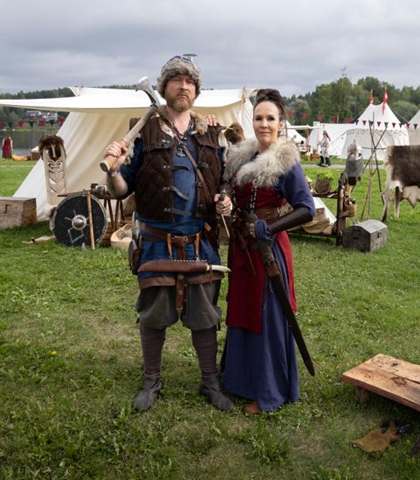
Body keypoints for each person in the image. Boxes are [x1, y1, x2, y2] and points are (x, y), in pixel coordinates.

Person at [103, 56, 234, 412]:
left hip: (199, 243)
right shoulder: (143, 131)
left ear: (196, 90)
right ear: (164, 88)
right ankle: (151, 382)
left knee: (205, 316)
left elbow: (223, 178)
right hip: (157, 242)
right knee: (154, 315)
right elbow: (120, 187)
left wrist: (225, 199)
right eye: (176, 80)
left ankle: (210, 382)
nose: (183, 85)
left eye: (189, 81)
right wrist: (113, 168)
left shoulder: (209, 132)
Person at [220, 89, 316, 414]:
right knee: (243, 309)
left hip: (268, 251)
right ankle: (239, 381)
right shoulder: (241, 157)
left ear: (281, 123)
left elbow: (306, 209)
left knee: (265, 316)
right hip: (242, 248)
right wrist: (225, 196)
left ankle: (268, 391)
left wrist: (270, 228)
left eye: (270, 118)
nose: (263, 124)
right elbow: (228, 185)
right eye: (259, 118)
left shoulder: (286, 162)